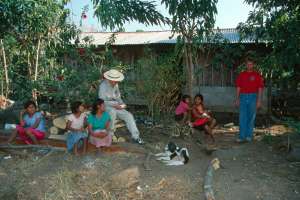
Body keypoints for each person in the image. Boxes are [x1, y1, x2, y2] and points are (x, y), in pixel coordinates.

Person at [98, 69, 144, 144]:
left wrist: (122, 104)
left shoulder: (116, 85)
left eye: (116, 80)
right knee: (112, 113)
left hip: (116, 106)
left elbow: (118, 97)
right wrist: (114, 105)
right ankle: (110, 136)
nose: (115, 82)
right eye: (113, 80)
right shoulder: (103, 86)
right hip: (105, 106)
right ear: (109, 78)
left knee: (129, 115)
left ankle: (136, 137)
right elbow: (101, 101)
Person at [235, 58, 264, 142]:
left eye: (251, 64)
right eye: (248, 64)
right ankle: (241, 136)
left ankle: (249, 136)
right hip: (243, 97)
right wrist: (237, 99)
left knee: (251, 118)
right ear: (246, 65)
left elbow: (260, 89)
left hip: (253, 97)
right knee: (242, 117)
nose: (249, 65)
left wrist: (259, 101)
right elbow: (238, 87)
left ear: (253, 65)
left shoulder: (257, 75)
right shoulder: (241, 75)